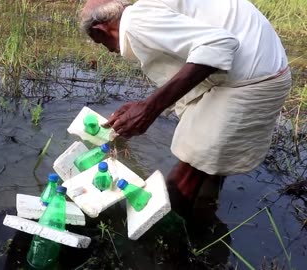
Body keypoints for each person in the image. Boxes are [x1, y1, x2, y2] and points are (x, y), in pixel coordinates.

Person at [79, 0, 292, 215]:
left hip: (252, 82)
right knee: (207, 163)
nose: (107, 50)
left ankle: (167, 236)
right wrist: (145, 105)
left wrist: (149, 108)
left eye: (98, 42)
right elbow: (196, 54)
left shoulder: (136, 21)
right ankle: (204, 211)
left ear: (99, 31)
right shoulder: (147, 10)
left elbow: (219, 45)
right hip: (258, 69)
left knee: (187, 171)